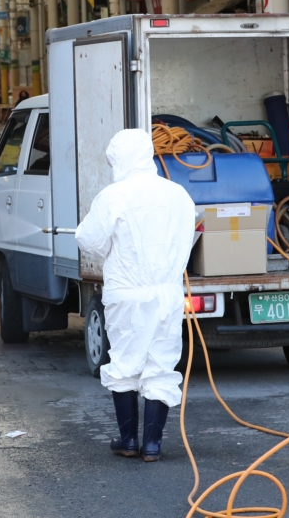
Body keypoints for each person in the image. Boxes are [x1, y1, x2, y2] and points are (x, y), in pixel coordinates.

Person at [75, 129, 195, 462]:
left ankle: (128, 440)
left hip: (126, 294)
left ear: (121, 159)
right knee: (161, 361)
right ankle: (153, 445)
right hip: (167, 294)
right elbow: (188, 236)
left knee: (126, 361)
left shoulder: (114, 196)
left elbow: (91, 241)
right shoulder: (178, 194)